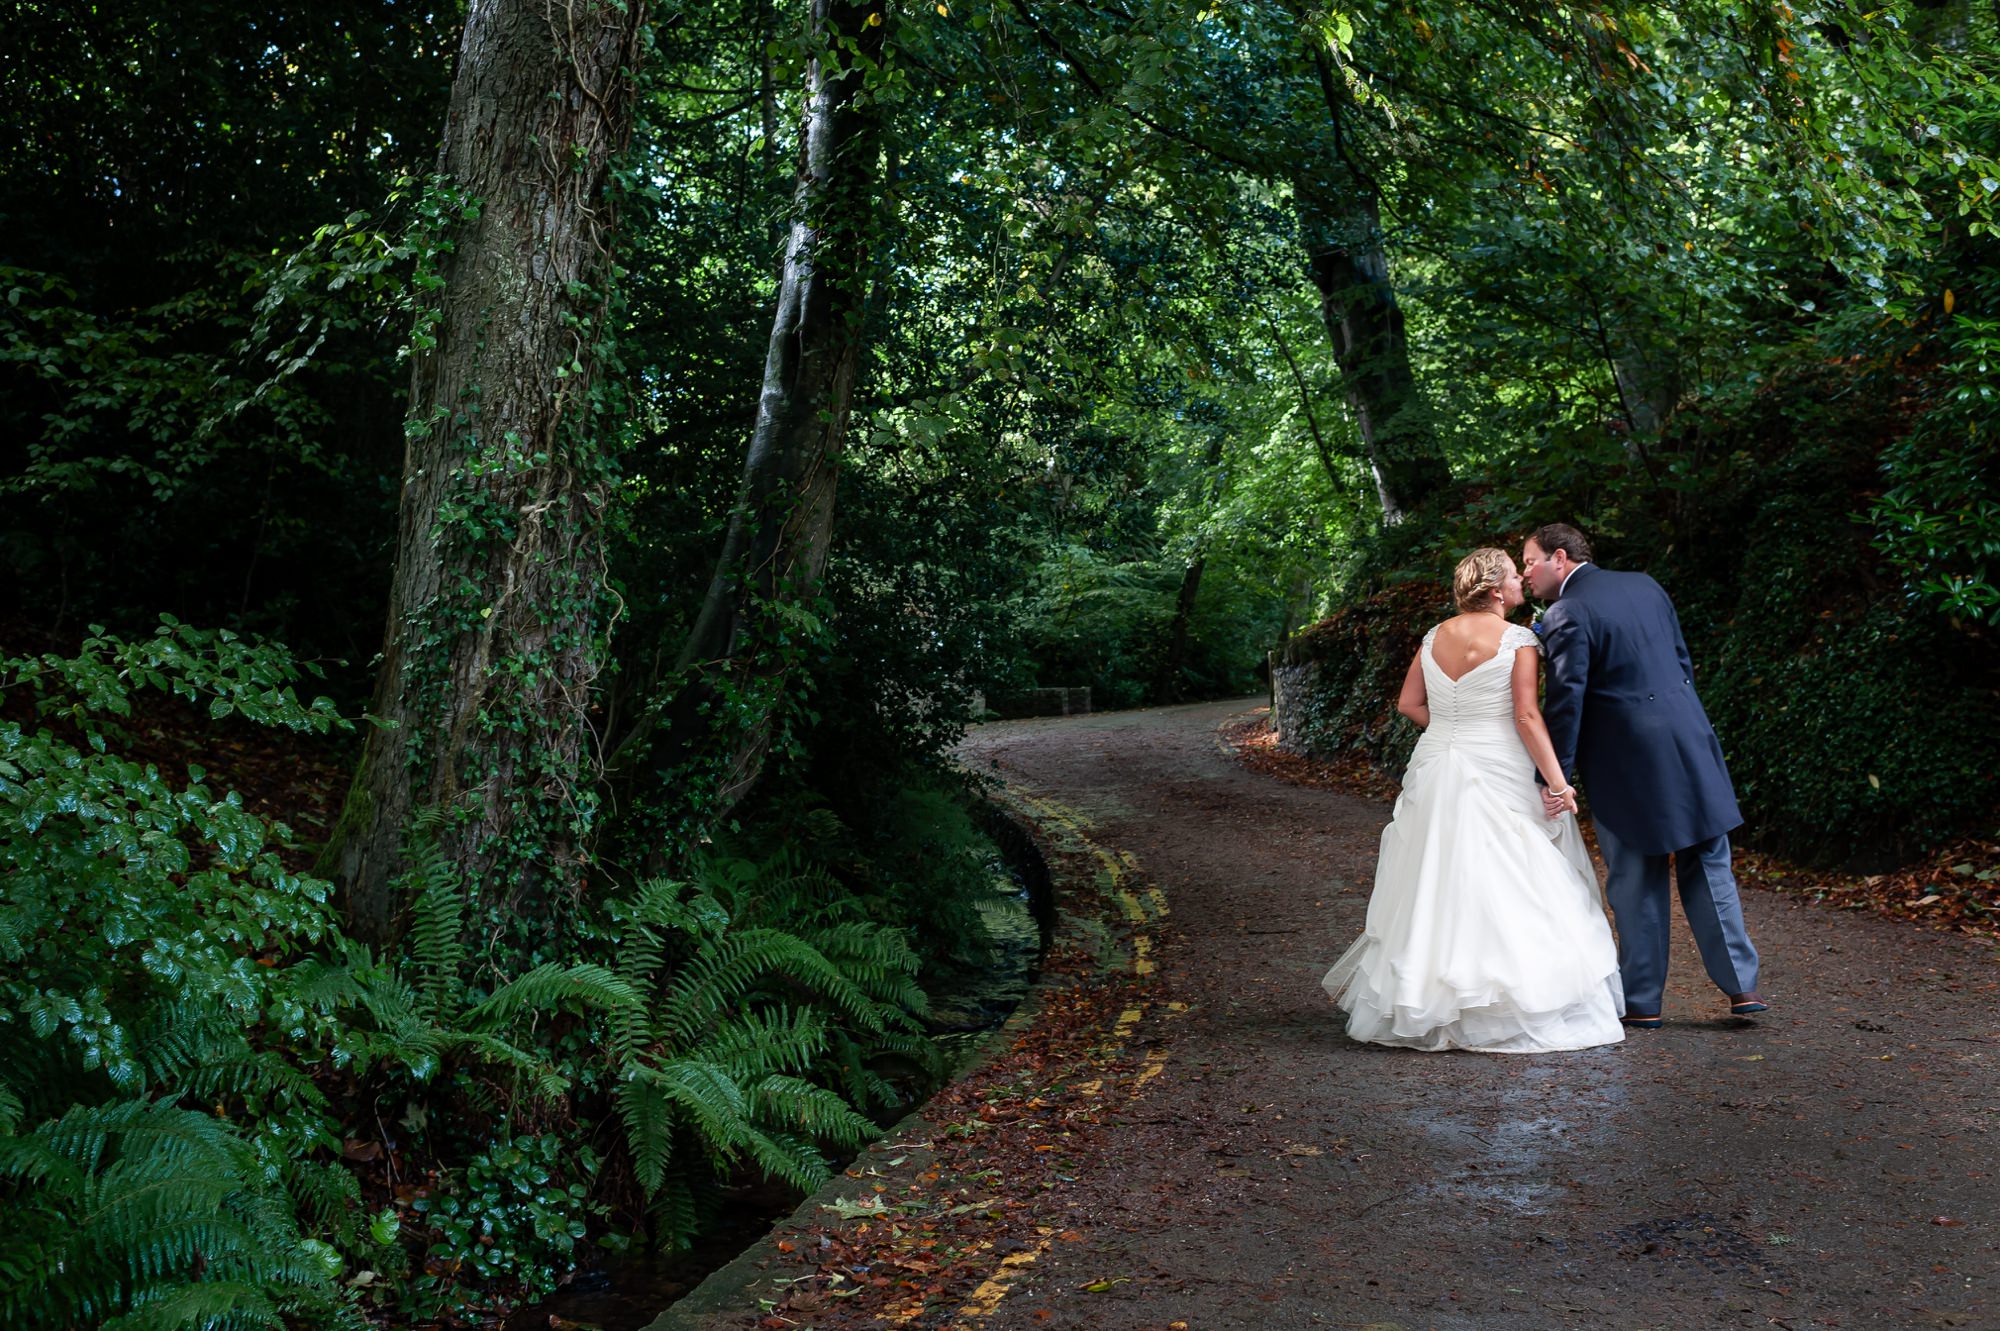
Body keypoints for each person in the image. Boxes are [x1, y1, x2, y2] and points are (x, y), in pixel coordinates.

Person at [1322, 548, 1625, 1052]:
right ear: (1492, 591)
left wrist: (1452, 732)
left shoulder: (1433, 636)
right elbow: (1527, 718)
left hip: (1438, 760)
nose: (1520, 581)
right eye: (1512, 576)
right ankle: (1509, 1003)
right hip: (1498, 762)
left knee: (1435, 877)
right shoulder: (1518, 639)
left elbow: (1408, 704)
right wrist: (1557, 782)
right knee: (1515, 873)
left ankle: (1429, 995)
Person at [1521, 523, 1765, 1029]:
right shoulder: (1645, 584)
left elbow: (1567, 701)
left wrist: (1554, 777)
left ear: (1559, 558)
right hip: (1688, 738)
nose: (1524, 573)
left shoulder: (1568, 611)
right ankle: (1742, 989)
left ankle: (1644, 1002)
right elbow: (1681, 662)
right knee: (1709, 863)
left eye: (1529, 561)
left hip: (1625, 757)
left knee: (1636, 877)